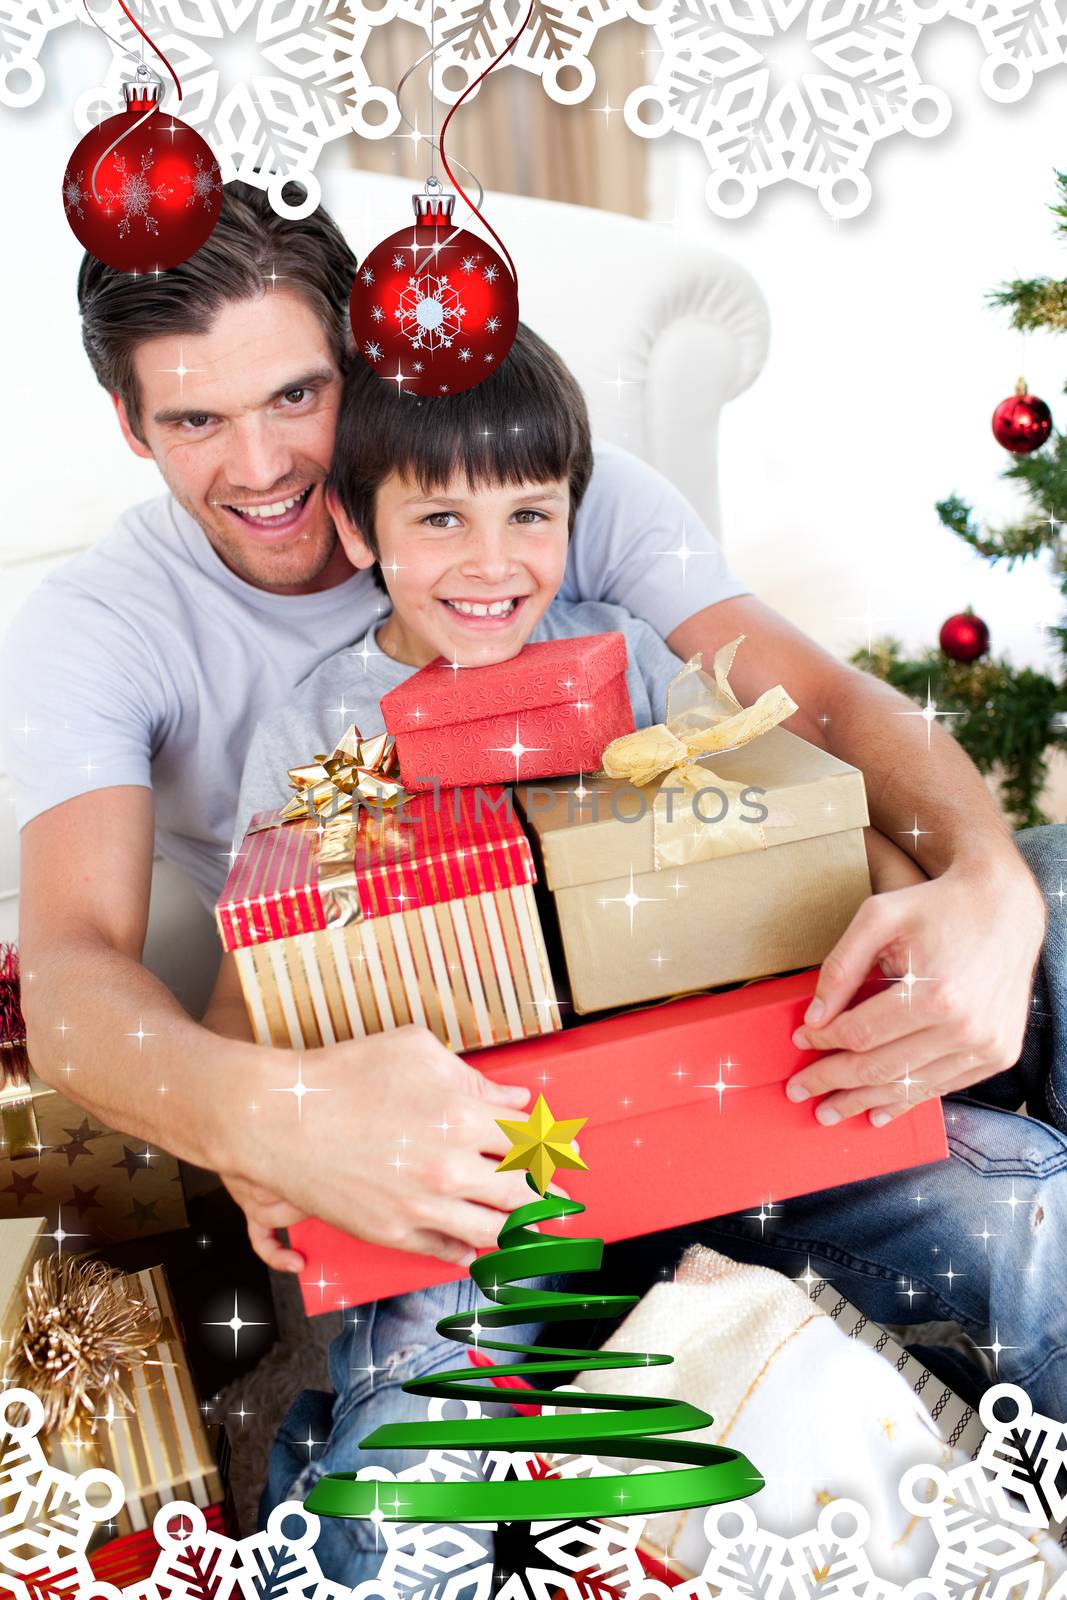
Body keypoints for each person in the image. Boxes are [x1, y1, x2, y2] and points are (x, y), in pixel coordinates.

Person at [0, 181, 1058, 1410]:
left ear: (366, 346)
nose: (263, 464)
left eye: (297, 393)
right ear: (129, 424)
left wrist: (984, 890)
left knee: (1050, 920)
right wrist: (262, 1117)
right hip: (448, 1135)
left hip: (715, 1065)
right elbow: (74, 976)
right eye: (195, 420)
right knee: (415, 1454)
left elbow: (814, 713)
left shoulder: (560, 488)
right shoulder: (101, 631)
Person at [203, 319, 1067, 1585]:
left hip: (729, 1129)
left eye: (529, 513)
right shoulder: (318, 727)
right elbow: (245, 991)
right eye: (438, 520)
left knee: (1026, 1202)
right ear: (355, 526)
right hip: (478, 1198)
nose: (491, 562)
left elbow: (802, 826)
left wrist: (913, 924)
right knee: (400, 1480)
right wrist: (256, 1147)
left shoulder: (647, 666)